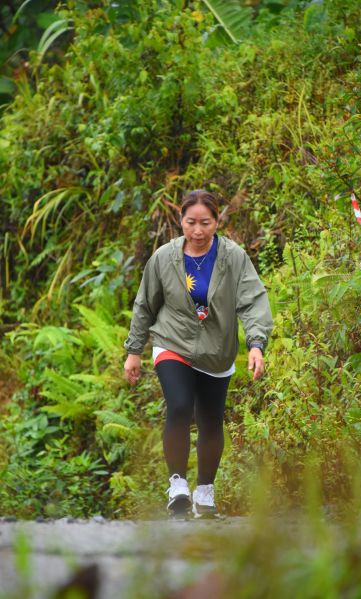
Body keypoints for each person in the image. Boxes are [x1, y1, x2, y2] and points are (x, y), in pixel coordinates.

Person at [123, 189, 273, 517]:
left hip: (216, 350)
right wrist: (134, 350)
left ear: (217, 222)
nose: (198, 230)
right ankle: (177, 484)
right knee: (179, 406)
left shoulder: (233, 258)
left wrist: (256, 344)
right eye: (191, 222)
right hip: (172, 342)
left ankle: (204, 490)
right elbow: (145, 304)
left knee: (211, 420)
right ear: (181, 220)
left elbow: (253, 302)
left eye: (205, 223)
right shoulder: (164, 258)